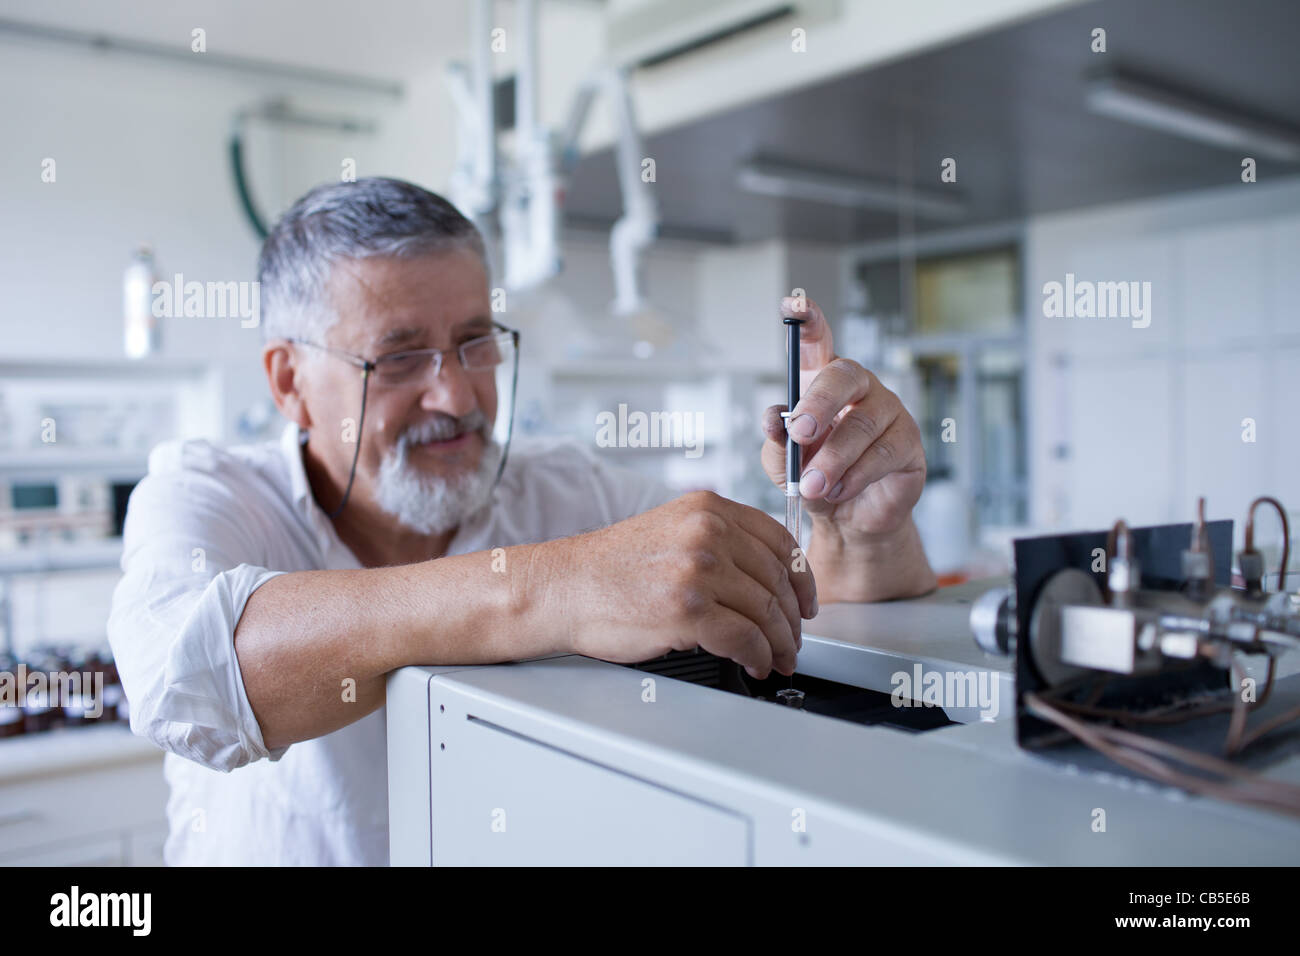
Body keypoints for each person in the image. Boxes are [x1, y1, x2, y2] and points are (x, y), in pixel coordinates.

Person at [107, 177, 936, 865]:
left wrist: (860, 529)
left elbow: (808, 598)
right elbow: (190, 683)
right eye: (399, 359)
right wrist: (550, 588)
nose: (459, 396)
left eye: (476, 342)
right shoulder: (210, 491)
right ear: (288, 381)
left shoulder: (565, 491)